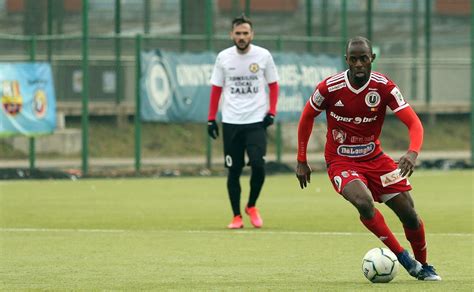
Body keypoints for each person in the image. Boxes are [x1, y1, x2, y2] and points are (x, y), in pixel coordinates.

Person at [295, 36, 441, 281]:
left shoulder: (384, 87)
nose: (359, 64)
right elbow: (307, 116)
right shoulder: (329, 87)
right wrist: (301, 159)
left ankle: (424, 265)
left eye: (364, 58)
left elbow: (414, 123)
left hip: (376, 160)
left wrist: (412, 152)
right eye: (354, 59)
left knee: (410, 215)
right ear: (347, 61)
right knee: (363, 202)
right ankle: (404, 259)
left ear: (372, 58)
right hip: (340, 161)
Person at [207, 14, 279, 229]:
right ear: (232, 34)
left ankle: (252, 205)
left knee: (258, 165)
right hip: (231, 122)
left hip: (256, 121)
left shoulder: (263, 56)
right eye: (238, 33)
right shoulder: (223, 58)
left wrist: (271, 111)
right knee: (234, 171)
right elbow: (216, 89)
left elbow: (273, 85)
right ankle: (236, 216)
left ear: (251, 34)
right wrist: (211, 119)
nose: (241, 37)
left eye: (245, 33)